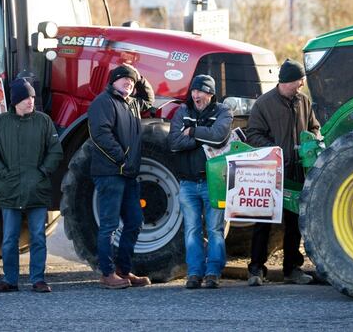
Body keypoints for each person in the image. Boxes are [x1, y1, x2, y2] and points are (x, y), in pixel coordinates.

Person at [246, 59, 321, 286]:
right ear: (288, 81)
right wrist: (275, 151)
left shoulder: (304, 101)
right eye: (299, 81)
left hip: (298, 172)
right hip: (271, 171)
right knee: (263, 221)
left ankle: (292, 269)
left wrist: (314, 138)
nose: (301, 85)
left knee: (295, 221)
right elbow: (253, 134)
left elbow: (314, 126)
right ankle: (256, 269)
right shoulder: (263, 104)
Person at [0, 79, 63, 294]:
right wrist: (5, 174)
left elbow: (56, 151)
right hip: (10, 190)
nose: (31, 101)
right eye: (26, 97)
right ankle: (10, 280)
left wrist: (42, 172)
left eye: (32, 97)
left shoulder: (44, 121)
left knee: (38, 236)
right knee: (9, 239)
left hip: (37, 188)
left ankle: (38, 279)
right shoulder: (0, 123)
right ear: (16, 101)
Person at [88, 63, 155, 289]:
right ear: (113, 81)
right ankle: (107, 274)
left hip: (128, 174)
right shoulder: (102, 103)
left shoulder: (132, 103)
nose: (129, 83)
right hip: (110, 173)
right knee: (109, 226)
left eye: (132, 81)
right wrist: (122, 160)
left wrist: (139, 75)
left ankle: (123, 270)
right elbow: (100, 134)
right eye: (124, 79)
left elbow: (150, 99)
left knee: (135, 221)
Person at [167, 74, 232, 289]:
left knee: (215, 229)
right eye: (194, 91)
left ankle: (213, 272)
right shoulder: (182, 111)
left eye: (201, 91)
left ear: (211, 94)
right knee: (192, 229)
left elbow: (220, 137)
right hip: (187, 183)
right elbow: (174, 143)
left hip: (213, 183)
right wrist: (203, 139)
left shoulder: (223, 111)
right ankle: (194, 273)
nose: (196, 95)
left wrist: (192, 132)